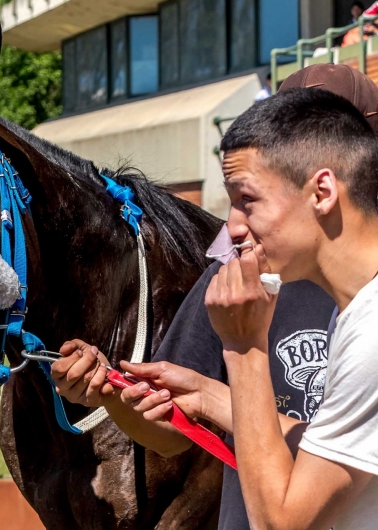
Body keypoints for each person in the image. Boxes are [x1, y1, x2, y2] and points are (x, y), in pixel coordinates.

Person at [49, 64, 378, 529]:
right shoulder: (358, 313)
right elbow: (318, 448)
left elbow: (281, 522)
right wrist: (206, 395)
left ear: (324, 188)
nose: (233, 227)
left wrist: (243, 347)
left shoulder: (369, 330)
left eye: (247, 198)